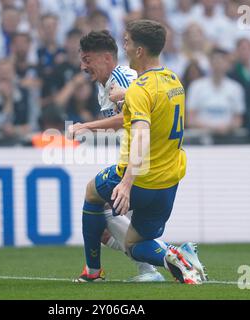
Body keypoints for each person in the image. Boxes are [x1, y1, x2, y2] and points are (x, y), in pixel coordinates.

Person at [73, 22, 206, 284]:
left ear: (140, 49)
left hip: (141, 172)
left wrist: (126, 181)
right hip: (170, 175)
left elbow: (138, 126)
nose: (126, 47)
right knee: (129, 238)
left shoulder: (133, 84)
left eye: (128, 42)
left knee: (92, 194)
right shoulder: (173, 79)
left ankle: (93, 273)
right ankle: (171, 259)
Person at [68, 30, 164, 282]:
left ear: (107, 58)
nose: (83, 66)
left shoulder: (121, 79)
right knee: (105, 224)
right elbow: (125, 122)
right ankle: (154, 268)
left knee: (96, 200)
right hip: (139, 159)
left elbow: (131, 117)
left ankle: (96, 272)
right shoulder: (107, 84)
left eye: (88, 59)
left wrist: (86, 126)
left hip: (144, 161)